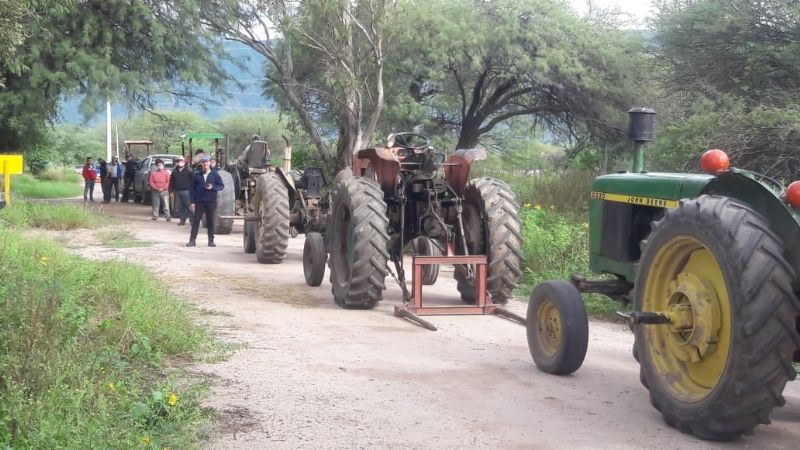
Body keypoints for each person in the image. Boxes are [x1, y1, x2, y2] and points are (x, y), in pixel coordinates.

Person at [187, 156, 224, 247]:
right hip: (199, 201)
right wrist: (192, 202)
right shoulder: (197, 175)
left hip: (210, 201)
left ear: (209, 164)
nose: (205, 164)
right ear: (201, 164)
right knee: (196, 221)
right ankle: (192, 240)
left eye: (206, 163)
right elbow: (192, 189)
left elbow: (221, 186)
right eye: (203, 163)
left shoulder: (215, 175)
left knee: (210, 221)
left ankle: (211, 241)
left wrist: (213, 187)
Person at [169, 156, 194, 226]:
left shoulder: (189, 170)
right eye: (178, 161)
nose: (180, 162)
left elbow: (193, 181)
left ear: (184, 162)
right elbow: (171, 182)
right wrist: (170, 191)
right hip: (177, 191)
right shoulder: (174, 171)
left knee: (189, 206)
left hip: (187, 191)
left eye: (181, 161)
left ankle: (192, 220)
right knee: (180, 206)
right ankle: (182, 220)